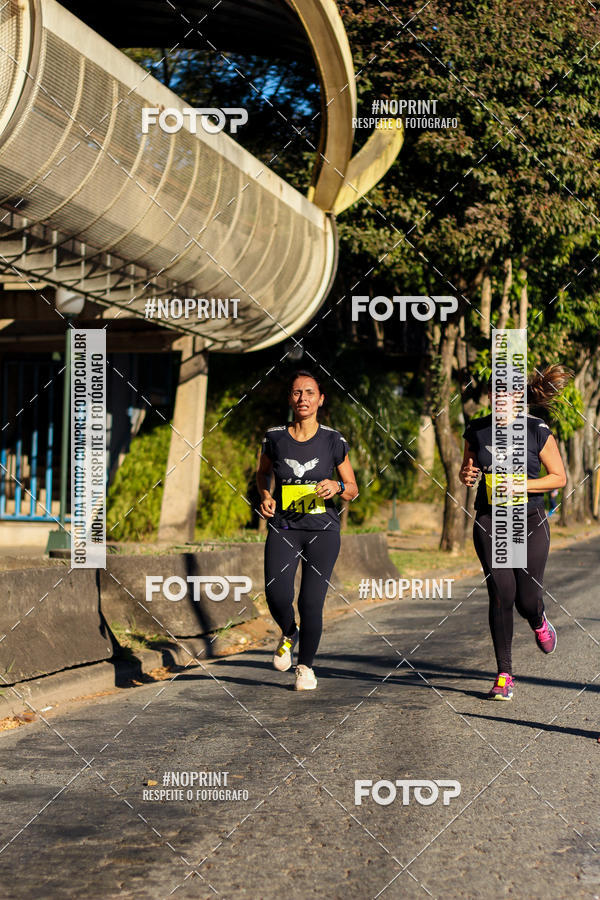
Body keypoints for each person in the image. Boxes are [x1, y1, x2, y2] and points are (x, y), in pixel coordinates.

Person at [459, 365, 571, 701]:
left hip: (531, 519)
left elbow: (560, 478)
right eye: (496, 393)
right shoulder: (477, 430)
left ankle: (538, 619)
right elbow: (468, 470)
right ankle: (504, 674)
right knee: (501, 593)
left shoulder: (537, 430)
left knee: (526, 598)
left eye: (508, 393)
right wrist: (467, 474)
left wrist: (523, 482)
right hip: (490, 519)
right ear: (491, 396)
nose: (501, 399)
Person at [256, 371, 358, 691]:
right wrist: (266, 496)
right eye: (297, 392)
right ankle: (289, 631)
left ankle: (306, 667)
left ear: (320, 399)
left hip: (322, 531)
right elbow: (261, 476)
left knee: (311, 603)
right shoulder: (274, 437)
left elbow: (353, 488)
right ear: (291, 398)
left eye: (310, 393)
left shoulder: (333, 440)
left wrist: (337, 485)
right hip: (284, 526)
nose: (303, 398)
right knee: (276, 593)